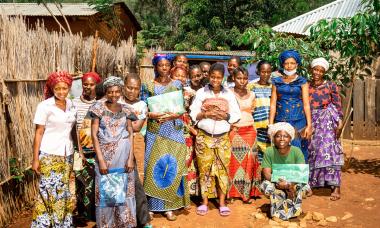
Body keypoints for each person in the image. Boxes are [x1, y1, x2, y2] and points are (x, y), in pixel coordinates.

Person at [141, 54, 190, 221]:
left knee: (172, 164)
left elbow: (183, 107)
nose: (164, 68)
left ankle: (170, 206)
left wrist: (173, 115)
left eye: (167, 65)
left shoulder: (177, 84)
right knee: (153, 166)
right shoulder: (147, 85)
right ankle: (152, 206)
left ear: (171, 67)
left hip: (173, 129)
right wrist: (150, 114)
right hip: (155, 131)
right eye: (160, 65)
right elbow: (142, 108)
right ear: (155, 67)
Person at [190, 63, 241, 217]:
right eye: (213, 77)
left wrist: (225, 116)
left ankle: (222, 203)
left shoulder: (229, 94)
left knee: (223, 171)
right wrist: (205, 115)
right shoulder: (201, 93)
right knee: (204, 170)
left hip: (223, 138)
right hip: (204, 137)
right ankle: (204, 202)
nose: (215, 80)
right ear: (209, 76)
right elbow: (193, 113)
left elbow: (236, 115)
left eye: (219, 77)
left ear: (223, 78)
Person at [90, 76, 137, 227]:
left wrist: (130, 159)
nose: (114, 95)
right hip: (106, 159)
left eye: (117, 91)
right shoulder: (97, 109)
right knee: (106, 194)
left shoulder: (127, 110)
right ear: (106, 92)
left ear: (121, 91)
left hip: (124, 158)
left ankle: (125, 224)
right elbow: (94, 135)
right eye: (110, 92)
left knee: (125, 192)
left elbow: (131, 134)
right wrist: (101, 160)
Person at [31, 71, 76, 227]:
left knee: (63, 191)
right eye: (58, 89)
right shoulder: (44, 106)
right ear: (52, 88)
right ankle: (45, 224)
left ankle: (63, 223)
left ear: (69, 88)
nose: (62, 92)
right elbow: (39, 132)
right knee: (48, 191)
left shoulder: (71, 104)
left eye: (65, 88)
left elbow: (73, 130)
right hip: (49, 154)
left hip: (67, 154)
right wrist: (35, 159)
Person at [308, 57, 344, 201]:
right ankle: (311, 183)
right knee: (312, 150)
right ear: (311, 70)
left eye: (320, 71)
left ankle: (336, 186)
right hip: (311, 120)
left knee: (329, 150)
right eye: (315, 69)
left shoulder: (330, 86)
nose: (317, 72)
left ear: (324, 72)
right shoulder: (306, 85)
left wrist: (339, 121)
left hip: (327, 119)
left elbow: (337, 104)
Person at [121, 73, 153, 228]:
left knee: (137, 180)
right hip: (117, 143)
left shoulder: (141, 105)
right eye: (129, 87)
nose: (132, 91)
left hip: (137, 142)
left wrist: (119, 121)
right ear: (123, 87)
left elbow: (137, 127)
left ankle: (142, 218)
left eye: (135, 89)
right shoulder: (116, 101)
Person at [261, 122, 310, 221]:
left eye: (285, 136)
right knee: (265, 186)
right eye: (278, 136)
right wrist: (279, 182)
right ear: (273, 139)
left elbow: (301, 174)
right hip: (276, 181)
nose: (282, 139)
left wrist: (289, 184)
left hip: (294, 182)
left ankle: (294, 211)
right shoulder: (269, 151)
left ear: (290, 139)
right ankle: (278, 213)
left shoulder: (296, 151)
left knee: (303, 186)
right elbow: (266, 174)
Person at [269, 50, 312, 161]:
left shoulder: (302, 81)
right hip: (281, 121)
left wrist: (309, 125)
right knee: (281, 148)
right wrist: (270, 124)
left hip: (299, 121)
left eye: (292, 63)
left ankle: (299, 177)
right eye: (286, 63)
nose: (289, 66)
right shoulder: (276, 81)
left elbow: (306, 104)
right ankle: (282, 177)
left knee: (299, 150)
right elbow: (273, 104)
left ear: (297, 64)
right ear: (283, 64)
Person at [228, 66, 260, 203]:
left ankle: (246, 194)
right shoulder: (228, 93)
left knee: (249, 161)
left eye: (245, 78)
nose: (242, 81)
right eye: (239, 78)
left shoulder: (252, 94)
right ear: (234, 78)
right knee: (233, 163)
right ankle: (232, 194)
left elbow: (252, 111)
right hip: (234, 131)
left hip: (249, 130)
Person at [72, 71, 102, 221]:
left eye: (91, 84)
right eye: (85, 84)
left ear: (97, 85)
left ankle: (94, 213)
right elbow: (74, 127)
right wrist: (80, 151)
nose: (88, 87)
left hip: (98, 149)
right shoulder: (75, 103)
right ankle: (82, 213)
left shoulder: (100, 102)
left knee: (96, 182)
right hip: (80, 148)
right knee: (81, 182)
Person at [248, 60, 272, 162]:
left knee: (269, 152)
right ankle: (257, 177)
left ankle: (267, 176)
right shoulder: (251, 86)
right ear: (258, 71)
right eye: (263, 71)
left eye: (268, 72)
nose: (265, 74)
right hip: (256, 125)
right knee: (256, 153)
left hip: (270, 125)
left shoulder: (273, 87)